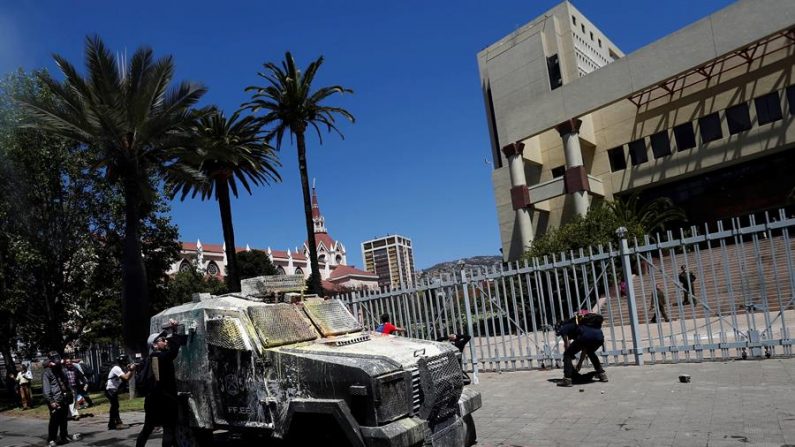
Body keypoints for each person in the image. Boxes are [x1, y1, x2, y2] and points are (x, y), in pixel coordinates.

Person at [137, 319, 182, 447]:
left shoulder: (148, 359)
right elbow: (174, 351)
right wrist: (174, 330)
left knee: (147, 429)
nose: (165, 341)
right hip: (165, 400)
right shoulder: (161, 357)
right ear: (154, 345)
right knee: (169, 430)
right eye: (162, 340)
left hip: (152, 401)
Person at [555, 313, 607, 387]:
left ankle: (567, 379)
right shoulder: (578, 326)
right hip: (599, 337)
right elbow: (584, 349)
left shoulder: (564, 328)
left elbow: (566, 344)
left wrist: (570, 354)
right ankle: (602, 374)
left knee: (567, 354)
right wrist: (580, 363)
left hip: (587, 337)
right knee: (590, 352)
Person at [42, 352, 80, 446]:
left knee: (64, 419)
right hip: (54, 400)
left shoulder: (61, 370)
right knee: (54, 420)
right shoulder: (47, 372)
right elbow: (46, 389)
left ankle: (64, 436)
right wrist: (51, 401)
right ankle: (51, 439)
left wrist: (70, 394)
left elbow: (66, 382)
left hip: (64, 398)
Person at [106, 354, 135, 430]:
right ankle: (116, 423)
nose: (127, 362)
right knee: (115, 406)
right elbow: (125, 377)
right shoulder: (116, 368)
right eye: (126, 361)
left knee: (115, 406)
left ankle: (112, 424)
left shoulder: (121, 368)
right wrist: (131, 370)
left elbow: (128, 378)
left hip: (113, 390)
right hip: (110, 389)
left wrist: (131, 370)